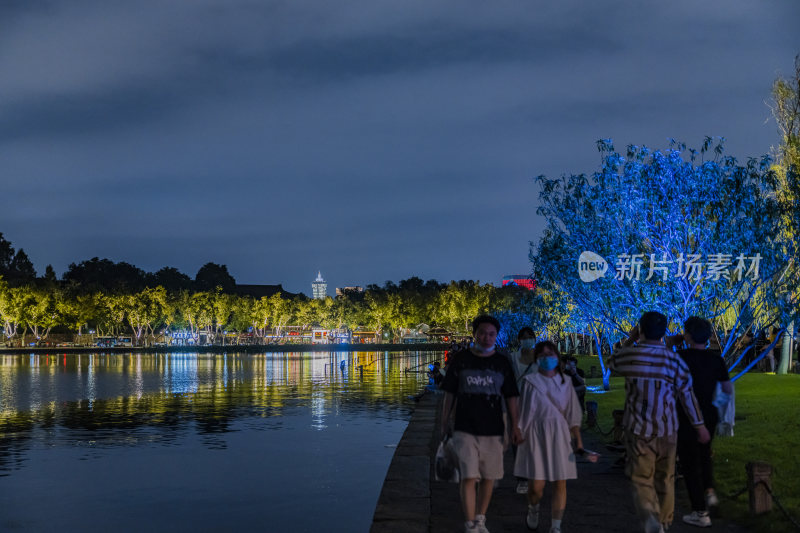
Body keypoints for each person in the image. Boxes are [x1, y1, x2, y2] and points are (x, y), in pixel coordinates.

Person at [610, 311, 710, 533]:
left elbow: (613, 362)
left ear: (641, 330)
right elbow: (687, 395)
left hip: (639, 429)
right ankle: (664, 522)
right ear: (664, 332)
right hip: (667, 429)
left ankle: (651, 517)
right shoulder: (673, 360)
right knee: (666, 479)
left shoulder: (631, 356)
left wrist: (631, 338)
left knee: (642, 478)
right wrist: (699, 425)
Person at [440, 315, 523, 533]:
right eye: (482, 333)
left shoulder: (502, 363)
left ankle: (480, 517)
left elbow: (511, 396)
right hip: (464, 427)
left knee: (489, 476)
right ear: (475, 334)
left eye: (491, 334)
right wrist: (444, 421)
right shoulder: (460, 360)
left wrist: (515, 426)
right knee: (469, 476)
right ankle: (470, 524)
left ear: (496, 336)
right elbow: (449, 393)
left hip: (493, 428)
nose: (486, 337)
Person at [514, 341, 598, 533]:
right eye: (542, 355)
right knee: (536, 486)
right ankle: (533, 508)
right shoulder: (530, 382)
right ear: (537, 359)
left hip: (560, 435)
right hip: (535, 435)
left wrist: (577, 437)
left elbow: (572, 413)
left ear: (557, 358)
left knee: (560, 482)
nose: (547, 358)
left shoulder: (565, 382)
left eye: (550, 354)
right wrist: (520, 432)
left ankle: (556, 526)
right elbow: (525, 411)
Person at [675, 317, 733, 528]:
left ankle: (700, 512)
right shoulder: (716, 359)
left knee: (689, 463)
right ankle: (709, 492)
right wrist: (716, 405)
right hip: (709, 413)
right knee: (705, 454)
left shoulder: (680, 357)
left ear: (688, 335)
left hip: (686, 415)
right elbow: (727, 389)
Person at [511, 327, 539, 494]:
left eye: (530, 337)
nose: (527, 340)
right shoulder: (513, 358)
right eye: (524, 337)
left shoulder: (540, 358)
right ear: (519, 340)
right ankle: (522, 479)